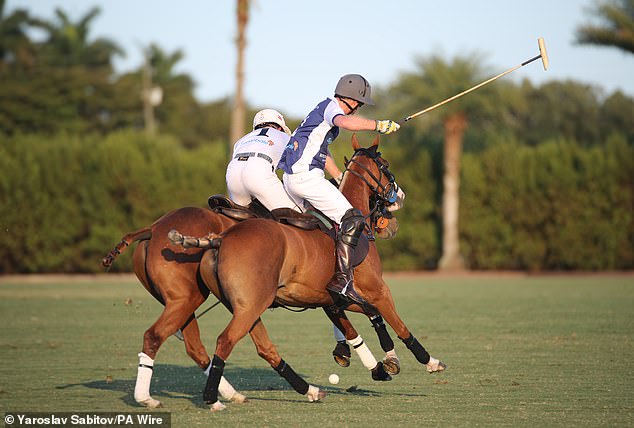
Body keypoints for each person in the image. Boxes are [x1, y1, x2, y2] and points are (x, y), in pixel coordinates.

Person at [278, 74, 400, 308]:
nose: (359, 108)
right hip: (305, 178)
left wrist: (337, 176)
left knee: (314, 229)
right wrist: (378, 125)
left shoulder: (320, 112)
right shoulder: (332, 108)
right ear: (353, 100)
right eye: (360, 103)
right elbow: (345, 123)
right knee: (353, 218)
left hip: (292, 180)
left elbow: (322, 152)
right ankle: (342, 280)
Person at [225, 109, 299, 211]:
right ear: (279, 127)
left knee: (241, 219)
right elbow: (298, 168)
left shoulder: (242, 139)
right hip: (259, 172)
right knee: (297, 213)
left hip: (233, 174)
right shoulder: (285, 137)